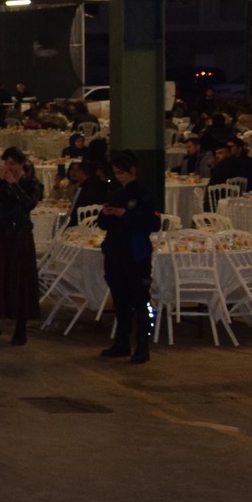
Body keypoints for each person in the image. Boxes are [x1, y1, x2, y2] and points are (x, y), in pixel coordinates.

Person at [97, 151, 159, 364]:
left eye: (122, 173)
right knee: (120, 300)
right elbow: (103, 224)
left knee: (140, 301)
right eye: (115, 173)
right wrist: (105, 214)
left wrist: (126, 215)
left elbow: (152, 224)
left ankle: (143, 345)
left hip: (136, 253)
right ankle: (121, 342)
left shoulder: (144, 194)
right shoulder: (115, 193)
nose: (119, 177)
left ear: (132, 171)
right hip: (115, 252)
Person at [0, 149, 41, 346]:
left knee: (19, 280)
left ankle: (20, 327)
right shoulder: (0, 184)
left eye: (13, 163)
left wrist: (14, 183)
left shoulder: (33, 184)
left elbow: (28, 204)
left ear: (22, 164)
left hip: (19, 236)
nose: (9, 168)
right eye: (6, 164)